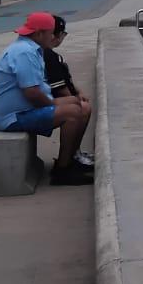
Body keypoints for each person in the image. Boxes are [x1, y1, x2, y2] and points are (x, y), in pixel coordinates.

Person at [0, 11, 93, 185]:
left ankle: (71, 158)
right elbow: (32, 93)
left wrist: (61, 101)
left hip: (24, 108)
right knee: (73, 113)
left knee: (82, 106)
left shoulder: (32, 49)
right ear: (39, 34)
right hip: (13, 117)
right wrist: (53, 104)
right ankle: (62, 171)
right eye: (51, 33)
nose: (53, 37)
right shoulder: (24, 53)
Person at [41, 15, 95, 169]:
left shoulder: (49, 55)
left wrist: (77, 91)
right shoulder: (49, 56)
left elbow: (65, 80)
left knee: (80, 105)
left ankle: (73, 154)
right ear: (55, 36)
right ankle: (67, 161)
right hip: (48, 102)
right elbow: (59, 87)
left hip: (49, 99)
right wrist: (74, 98)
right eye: (62, 34)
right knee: (81, 108)